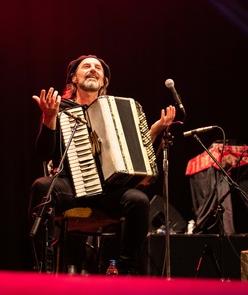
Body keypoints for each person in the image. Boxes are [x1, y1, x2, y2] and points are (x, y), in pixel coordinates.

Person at [29, 55, 176, 274]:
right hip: (71, 186)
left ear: (104, 81)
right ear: (73, 78)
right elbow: (44, 153)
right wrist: (48, 120)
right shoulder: (61, 108)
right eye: (86, 66)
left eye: (98, 68)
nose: (93, 70)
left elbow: (137, 158)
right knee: (41, 186)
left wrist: (153, 133)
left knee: (138, 200)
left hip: (108, 192)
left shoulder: (117, 112)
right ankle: (43, 270)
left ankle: (127, 272)